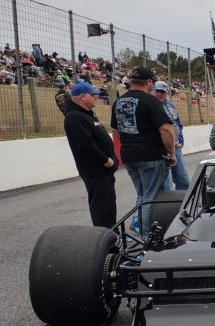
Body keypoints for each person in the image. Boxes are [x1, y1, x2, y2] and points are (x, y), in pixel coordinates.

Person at [111, 67, 175, 237]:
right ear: (148, 82)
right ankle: (148, 237)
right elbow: (166, 129)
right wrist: (171, 153)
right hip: (150, 156)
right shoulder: (151, 101)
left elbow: (115, 131)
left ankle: (141, 232)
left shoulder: (118, 102)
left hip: (129, 155)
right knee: (150, 197)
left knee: (142, 195)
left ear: (131, 81)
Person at [64, 82, 118, 228]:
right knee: (101, 207)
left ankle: (112, 233)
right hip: (96, 170)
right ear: (83, 96)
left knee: (108, 204)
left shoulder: (86, 114)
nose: (96, 97)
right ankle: (105, 236)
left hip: (103, 171)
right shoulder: (74, 117)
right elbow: (85, 145)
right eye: (93, 95)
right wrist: (106, 160)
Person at [153, 81, 189, 191]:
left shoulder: (170, 105)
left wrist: (181, 139)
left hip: (176, 147)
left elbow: (178, 124)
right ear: (153, 91)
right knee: (165, 185)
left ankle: (184, 201)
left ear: (166, 93)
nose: (160, 94)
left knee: (184, 181)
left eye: (162, 92)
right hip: (161, 149)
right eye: (157, 91)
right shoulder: (150, 105)